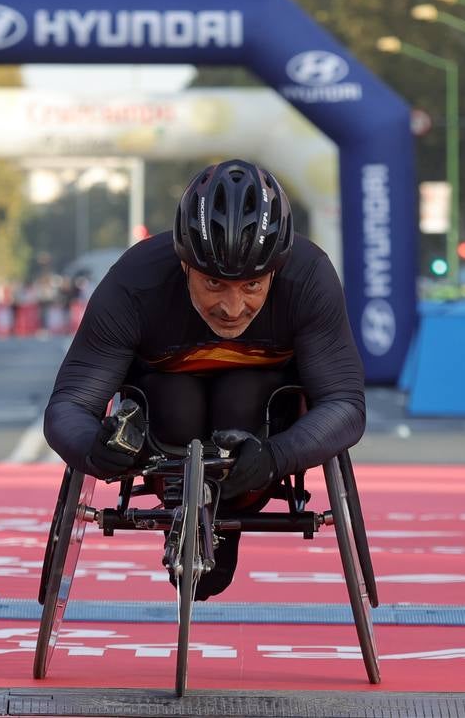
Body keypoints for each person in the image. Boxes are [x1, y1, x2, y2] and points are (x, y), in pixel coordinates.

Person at [44, 159, 366, 599]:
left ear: (277, 270)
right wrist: (94, 451)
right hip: (166, 425)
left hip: (261, 432)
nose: (233, 308)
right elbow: (70, 405)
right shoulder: (135, 282)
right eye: (214, 283)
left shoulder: (308, 278)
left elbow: (345, 404)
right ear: (183, 265)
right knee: (178, 397)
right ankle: (182, 510)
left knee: (242, 394)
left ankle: (226, 517)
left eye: (252, 286)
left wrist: (275, 456)